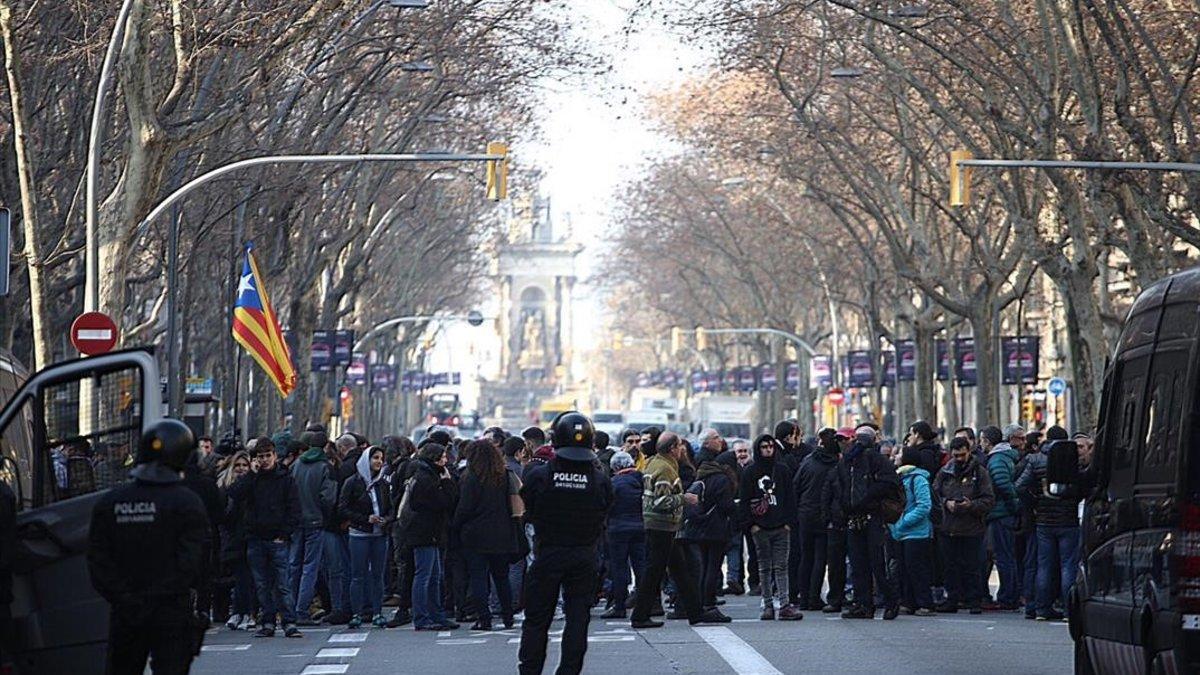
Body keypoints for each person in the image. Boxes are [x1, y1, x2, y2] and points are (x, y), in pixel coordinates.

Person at [87, 419, 211, 673]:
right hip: (171, 611)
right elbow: (194, 561)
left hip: (125, 611)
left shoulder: (111, 502)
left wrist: (124, 597)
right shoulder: (187, 503)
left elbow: (98, 560)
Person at [518, 412, 613, 675]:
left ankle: (530, 671)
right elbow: (606, 510)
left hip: (548, 553)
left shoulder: (539, 476)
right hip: (584, 556)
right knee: (577, 621)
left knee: (537, 621)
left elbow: (529, 508)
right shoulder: (599, 479)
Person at [630, 432, 728, 629]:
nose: (683, 449)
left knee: (680, 570)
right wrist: (686, 498)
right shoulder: (665, 469)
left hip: (663, 526)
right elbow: (660, 501)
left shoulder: (655, 463)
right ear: (672, 448)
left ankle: (695, 612)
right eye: (680, 446)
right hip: (661, 526)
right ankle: (640, 616)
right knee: (654, 572)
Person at [227, 437, 304, 638]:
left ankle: (289, 621)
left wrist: (284, 534)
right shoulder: (253, 480)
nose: (264, 460)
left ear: (275, 456)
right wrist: (251, 474)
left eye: (268, 456)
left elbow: (294, 510)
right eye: (260, 457)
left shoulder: (286, 479)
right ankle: (267, 621)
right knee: (261, 585)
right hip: (255, 538)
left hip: (277, 539)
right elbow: (234, 493)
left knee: (282, 584)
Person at [831, 424, 900, 620]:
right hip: (853, 518)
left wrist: (867, 497)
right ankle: (863, 604)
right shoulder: (844, 464)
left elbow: (890, 484)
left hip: (873, 516)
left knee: (878, 564)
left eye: (847, 440)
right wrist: (844, 508)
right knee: (858, 564)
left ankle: (890, 602)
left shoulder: (876, 460)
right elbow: (839, 487)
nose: (845, 444)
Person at [1015, 426, 1082, 621]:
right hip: (1068, 518)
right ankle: (1069, 610)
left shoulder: (1035, 459)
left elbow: (1019, 487)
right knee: (1068, 565)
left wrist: (1034, 502)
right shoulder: (1072, 459)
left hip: (1043, 519)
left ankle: (1041, 608)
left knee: (1043, 564)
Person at [453, 440, 518, 631]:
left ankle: (484, 618)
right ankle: (508, 616)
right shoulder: (504, 475)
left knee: (478, 576)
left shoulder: (471, 477)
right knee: (501, 577)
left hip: (475, 534)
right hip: (502, 532)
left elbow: (464, 507)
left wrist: (455, 526)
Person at [740, 434, 801, 621]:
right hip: (760, 527)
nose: (768, 449)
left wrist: (789, 524)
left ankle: (784, 604)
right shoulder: (750, 472)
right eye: (764, 446)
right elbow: (744, 500)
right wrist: (751, 525)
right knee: (764, 568)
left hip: (780, 526)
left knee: (781, 566)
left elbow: (790, 498)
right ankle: (767, 605)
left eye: (771, 446)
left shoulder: (782, 470)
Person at [933, 436, 995, 614]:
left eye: (962, 455)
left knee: (972, 566)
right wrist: (947, 503)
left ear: (969, 451)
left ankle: (974, 600)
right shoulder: (945, 472)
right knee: (950, 566)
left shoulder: (980, 473)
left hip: (971, 528)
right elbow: (935, 494)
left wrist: (971, 505)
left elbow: (989, 499)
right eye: (956, 455)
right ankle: (952, 598)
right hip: (949, 527)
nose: (959, 459)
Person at [406, 442, 460, 631]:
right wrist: (447, 483)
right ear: (435, 459)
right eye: (443, 457)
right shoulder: (426, 478)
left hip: (433, 532)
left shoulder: (428, 474)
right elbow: (445, 502)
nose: (446, 461)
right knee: (424, 575)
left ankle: (436, 614)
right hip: (425, 532)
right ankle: (422, 617)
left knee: (435, 575)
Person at [339, 445, 393, 628]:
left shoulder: (384, 484)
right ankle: (357, 613)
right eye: (375, 458)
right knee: (358, 575)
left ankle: (377, 612)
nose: (378, 462)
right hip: (359, 534)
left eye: (381, 458)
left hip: (380, 535)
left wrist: (386, 519)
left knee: (378, 575)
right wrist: (365, 519)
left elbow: (391, 508)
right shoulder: (352, 482)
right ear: (366, 460)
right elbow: (343, 508)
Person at [680, 445, 738, 613]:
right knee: (713, 567)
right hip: (717, 528)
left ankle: (700, 601)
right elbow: (726, 505)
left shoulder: (700, 477)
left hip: (699, 528)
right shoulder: (721, 479)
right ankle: (709, 602)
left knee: (703, 566)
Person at [291, 428, 335, 625]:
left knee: (293, 565)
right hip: (315, 520)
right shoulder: (325, 466)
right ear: (326, 446)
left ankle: (289, 608)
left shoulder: (297, 464)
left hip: (296, 520)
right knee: (310, 567)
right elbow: (328, 498)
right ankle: (301, 609)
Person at [794, 428, 839, 611]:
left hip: (805, 513)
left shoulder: (808, 461)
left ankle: (804, 596)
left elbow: (796, 485)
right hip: (823, 514)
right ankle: (814, 596)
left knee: (806, 556)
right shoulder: (835, 465)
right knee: (820, 558)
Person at [889, 446, 934, 615]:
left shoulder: (918, 478)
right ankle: (908, 602)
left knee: (917, 569)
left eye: (899, 453)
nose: (896, 456)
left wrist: (903, 522)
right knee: (904, 570)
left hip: (916, 532)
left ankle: (925, 603)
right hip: (899, 532)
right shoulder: (899, 477)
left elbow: (924, 506)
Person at [602, 450, 644, 619]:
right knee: (641, 567)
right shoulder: (642, 480)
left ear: (615, 468)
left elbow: (605, 506)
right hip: (641, 527)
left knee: (619, 568)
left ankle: (619, 605)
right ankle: (645, 604)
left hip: (617, 529)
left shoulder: (612, 483)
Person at [983, 425, 1021, 610]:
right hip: (1004, 512)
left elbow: (1002, 484)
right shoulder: (1004, 457)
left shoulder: (996, 460)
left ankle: (1007, 596)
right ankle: (1010, 595)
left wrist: (1012, 507)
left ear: (988, 442)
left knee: (1004, 557)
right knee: (1007, 556)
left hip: (1001, 513)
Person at [218, 451, 255, 631]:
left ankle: (245, 612)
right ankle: (240, 611)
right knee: (240, 576)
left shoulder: (252, 484)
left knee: (246, 577)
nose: (241, 469)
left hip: (248, 534)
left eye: (244, 465)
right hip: (233, 536)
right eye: (238, 465)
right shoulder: (225, 485)